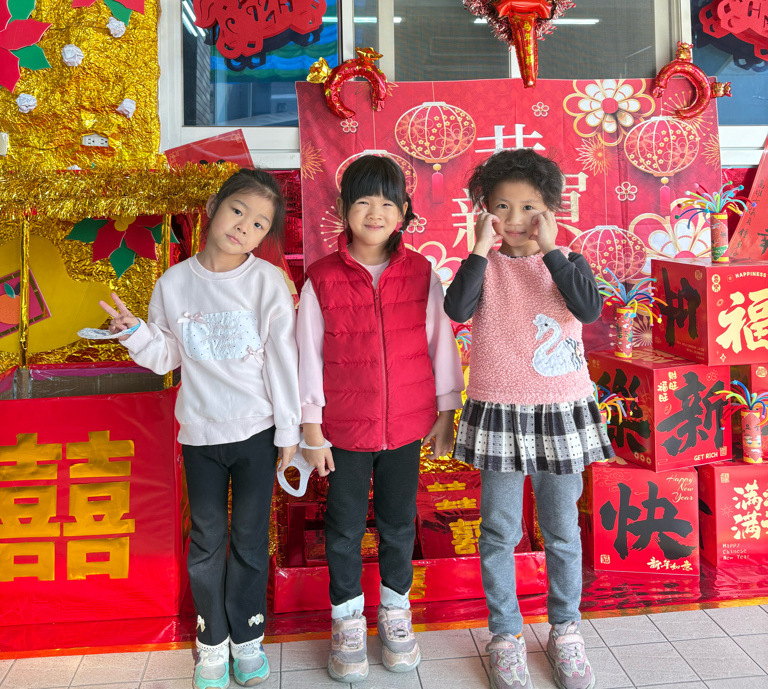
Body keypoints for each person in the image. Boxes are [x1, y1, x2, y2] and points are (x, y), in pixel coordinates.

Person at [100, 168, 301, 689]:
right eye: (237, 211)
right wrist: (135, 332)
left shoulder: (266, 282)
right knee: (208, 540)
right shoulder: (174, 283)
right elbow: (167, 355)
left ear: (265, 235)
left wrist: (288, 434)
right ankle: (211, 642)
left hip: (257, 432)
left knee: (250, 540)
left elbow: (284, 359)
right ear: (213, 207)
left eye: (259, 224)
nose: (244, 227)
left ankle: (248, 638)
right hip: (200, 434)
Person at [444, 149, 611, 689]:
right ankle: (505, 635)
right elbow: (456, 309)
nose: (515, 219)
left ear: (550, 210)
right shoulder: (483, 266)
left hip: (560, 411)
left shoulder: (569, 261)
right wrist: (478, 250)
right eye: (502, 206)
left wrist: (553, 249)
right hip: (498, 411)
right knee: (499, 529)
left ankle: (565, 630)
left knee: (561, 528)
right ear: (484, 211)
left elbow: (587, 310)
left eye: (529, 207)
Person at [297, 154, 464, 683]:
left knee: (397, 524)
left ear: (404, 212)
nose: (376, 213)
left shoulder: (420, 273)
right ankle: (347, 620)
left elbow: (441, 344)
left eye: (388, 203)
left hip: (406, 427)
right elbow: (307, 355)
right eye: (364, 202)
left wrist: (446, 410)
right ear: (344, 208)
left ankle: (395, 611)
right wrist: (311, 426)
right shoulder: (321, 277)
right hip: (344, 431)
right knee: (344, 528)